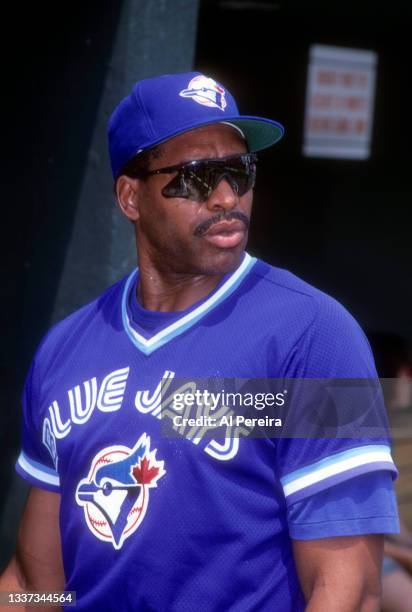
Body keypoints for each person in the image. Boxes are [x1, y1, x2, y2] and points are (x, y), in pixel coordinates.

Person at [0, 72, 400, 611]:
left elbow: (348, 591)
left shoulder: (318, 335)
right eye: (195, 177)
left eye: (239, 171)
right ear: (129, 196)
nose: (227, 196)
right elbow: (35, 587)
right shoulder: (62, 350)